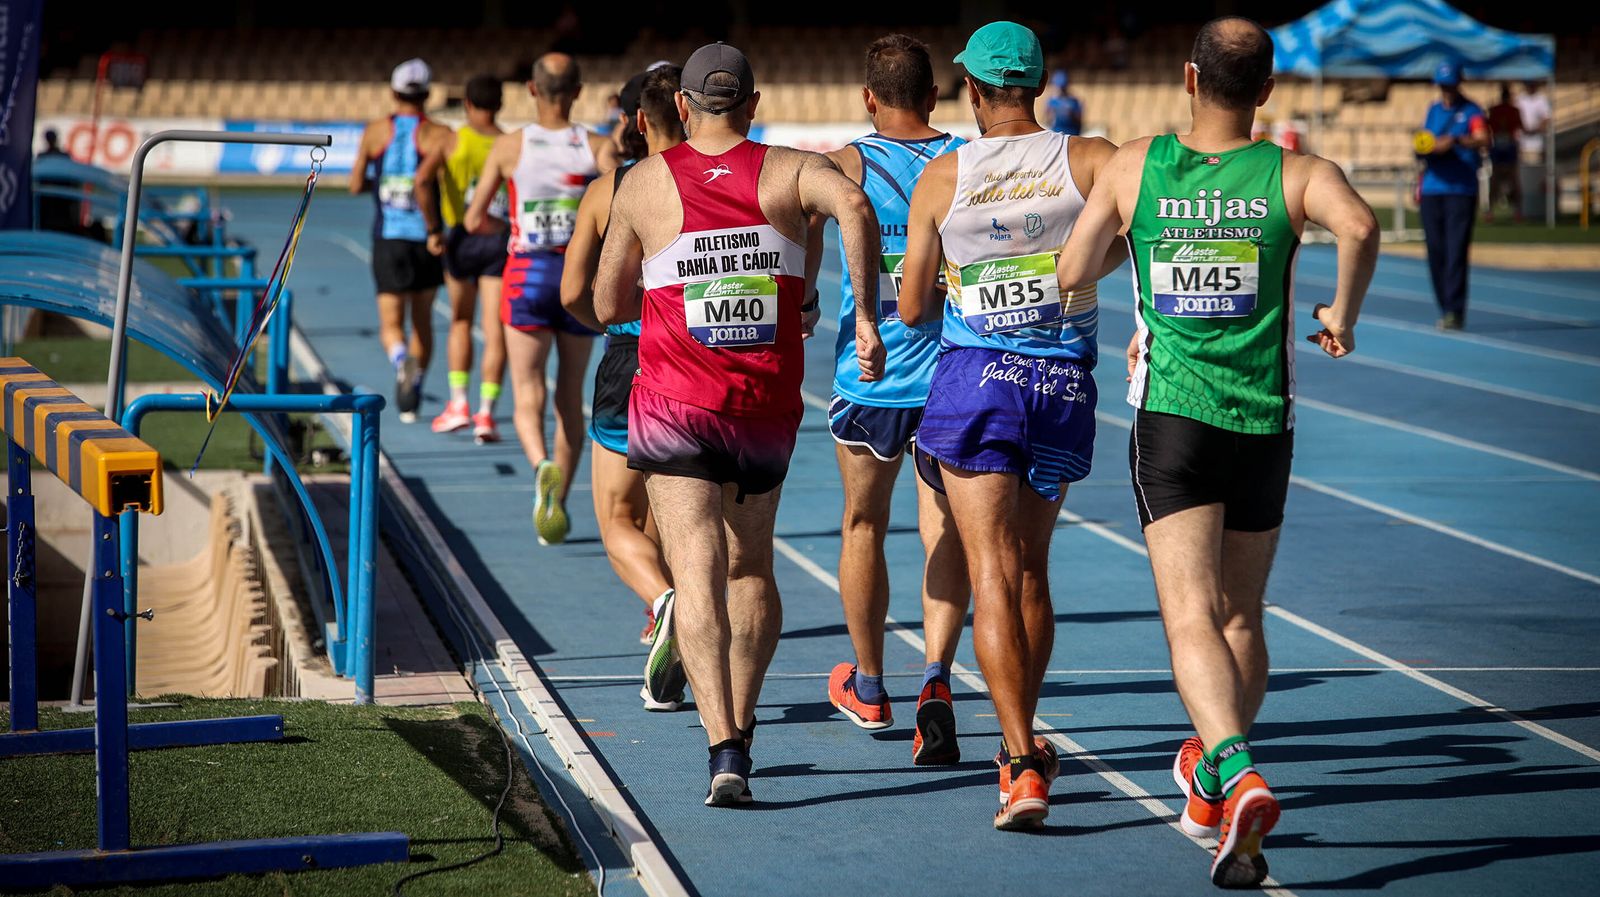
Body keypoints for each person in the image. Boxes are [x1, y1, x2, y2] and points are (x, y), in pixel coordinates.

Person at [1055, 17, 1379, 887]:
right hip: (1263, 420)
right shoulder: (1297, 173)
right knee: (1242, 615)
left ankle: (1235, 770)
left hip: (1174, 421)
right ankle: (1209, 777)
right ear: (1266, 90)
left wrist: (1145, 251)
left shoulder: (1136, 165)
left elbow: (1074, 270)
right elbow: (1360, 225)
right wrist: (1342, 317)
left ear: (1189, 79)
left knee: (1190, 614)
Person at [594, 41, 884, 806]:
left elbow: (604, 303)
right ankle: (744, 725)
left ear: (681, 107)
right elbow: (856, 206)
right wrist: (863, 316)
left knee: (694, 572)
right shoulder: (791, 170)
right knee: (749, 567)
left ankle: (722, 746)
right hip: (762, 406)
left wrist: (664, 286)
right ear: (753, 105)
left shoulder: (644, 182)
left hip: (674, 406)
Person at [898, 20, 1119, 830]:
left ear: (972, 89)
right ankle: (1024, 737)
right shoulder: (1091, 159)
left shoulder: (942, 175)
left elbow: (913, 307)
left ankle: (1020, 760)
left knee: (989, 571)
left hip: (976, 382)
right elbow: (1131, 241)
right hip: (1060, 383)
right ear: (1040, 83)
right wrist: (1068, 269)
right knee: (1031, 571)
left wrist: (960, 276)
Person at [814, 33, 970, 767]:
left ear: (868, 98)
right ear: (935, 96)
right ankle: (936, 677)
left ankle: (871, 685)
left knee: (862, 525)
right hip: (954, 374)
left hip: (870, 374)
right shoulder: (966, 160)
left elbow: (785, 221)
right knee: (945, 533)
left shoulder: (846, 164)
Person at [465, 52, 617, 545]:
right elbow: (620, 208)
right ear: (577, 92)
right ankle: (560, 503)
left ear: (531, 90)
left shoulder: (510, 146)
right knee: (569, 396)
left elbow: (473, 219)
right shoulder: (596, 147)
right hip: (577, 281)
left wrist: (508, 225)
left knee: (526, 390)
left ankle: (540, 466)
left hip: (525, 276)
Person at [561, 67, 684, 661]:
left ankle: (664, 602)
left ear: (636, 120)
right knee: (675, 504)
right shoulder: (717, 182)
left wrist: (609, 325)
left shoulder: (607, 190)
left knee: (616, 518)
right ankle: (672, 617)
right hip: (694, 358)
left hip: (627, 355)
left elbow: (570, 293)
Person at [351, 58, 450, 422]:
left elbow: (355, 184)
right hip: (426, 239)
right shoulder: (440, 134)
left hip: (388, 238)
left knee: (391, 322)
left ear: (394, 93)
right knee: (422, 319)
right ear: (427, 94)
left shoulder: (375, 131)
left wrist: (381, 184)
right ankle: (416, 382)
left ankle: (399, 359)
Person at [416, 74, 510, 443]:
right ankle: (486, 413)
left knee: (460, 321)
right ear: (500, 104)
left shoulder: (451, 140)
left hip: (460, 239)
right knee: (494, 328)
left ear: (467, 103)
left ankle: (458, 404)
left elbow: (422, 180)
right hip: (499, 240)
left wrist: (433, 229)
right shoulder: (510, 144)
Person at [1417, 61, 1488, 331]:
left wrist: (1456, 141)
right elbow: (1425, 140)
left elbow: (1483, 138)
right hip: (1432, 188)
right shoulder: (1433, 110)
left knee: (1455, 251)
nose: (1446, 90)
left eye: (1450, 85)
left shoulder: (1472, 111)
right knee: (1435, 251)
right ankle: (1444, 306)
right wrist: (1426, 149)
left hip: (1460, 190)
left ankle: (1454, 310)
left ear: (1459, 84)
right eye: (1442, 86)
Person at [1486, 83, 1523, 223]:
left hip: (1502, 145)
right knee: (1511, 178)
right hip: (1505, 145)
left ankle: (1491, 211)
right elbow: (1521, 127)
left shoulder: (1499, 110)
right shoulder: (1512, 110)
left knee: (1497, 178)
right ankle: (1517, 211)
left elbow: (1488, 126)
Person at [1045, 69, 1083, 136]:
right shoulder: (1051, 101)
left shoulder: (1074, 101)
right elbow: (1048, 119)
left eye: (1063, 88)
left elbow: (1079, 120)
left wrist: (1071, 114)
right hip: (1057, 134)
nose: (1061, 90)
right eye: (1059, 87)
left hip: (1072, 134)